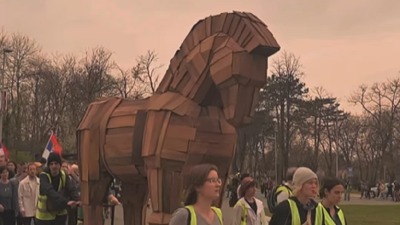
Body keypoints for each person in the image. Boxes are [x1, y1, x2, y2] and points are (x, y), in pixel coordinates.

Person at [35, 152, 80, 225]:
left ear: (60, 165)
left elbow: (72, 189)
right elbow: (50, 191)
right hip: (45, 218)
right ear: (49, 166)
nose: (54, 166)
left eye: (56, 163)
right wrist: (66, 202)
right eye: (51, 164)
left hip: (60, 214)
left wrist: (77, 199)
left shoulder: (63, 175)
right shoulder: (44, 176)